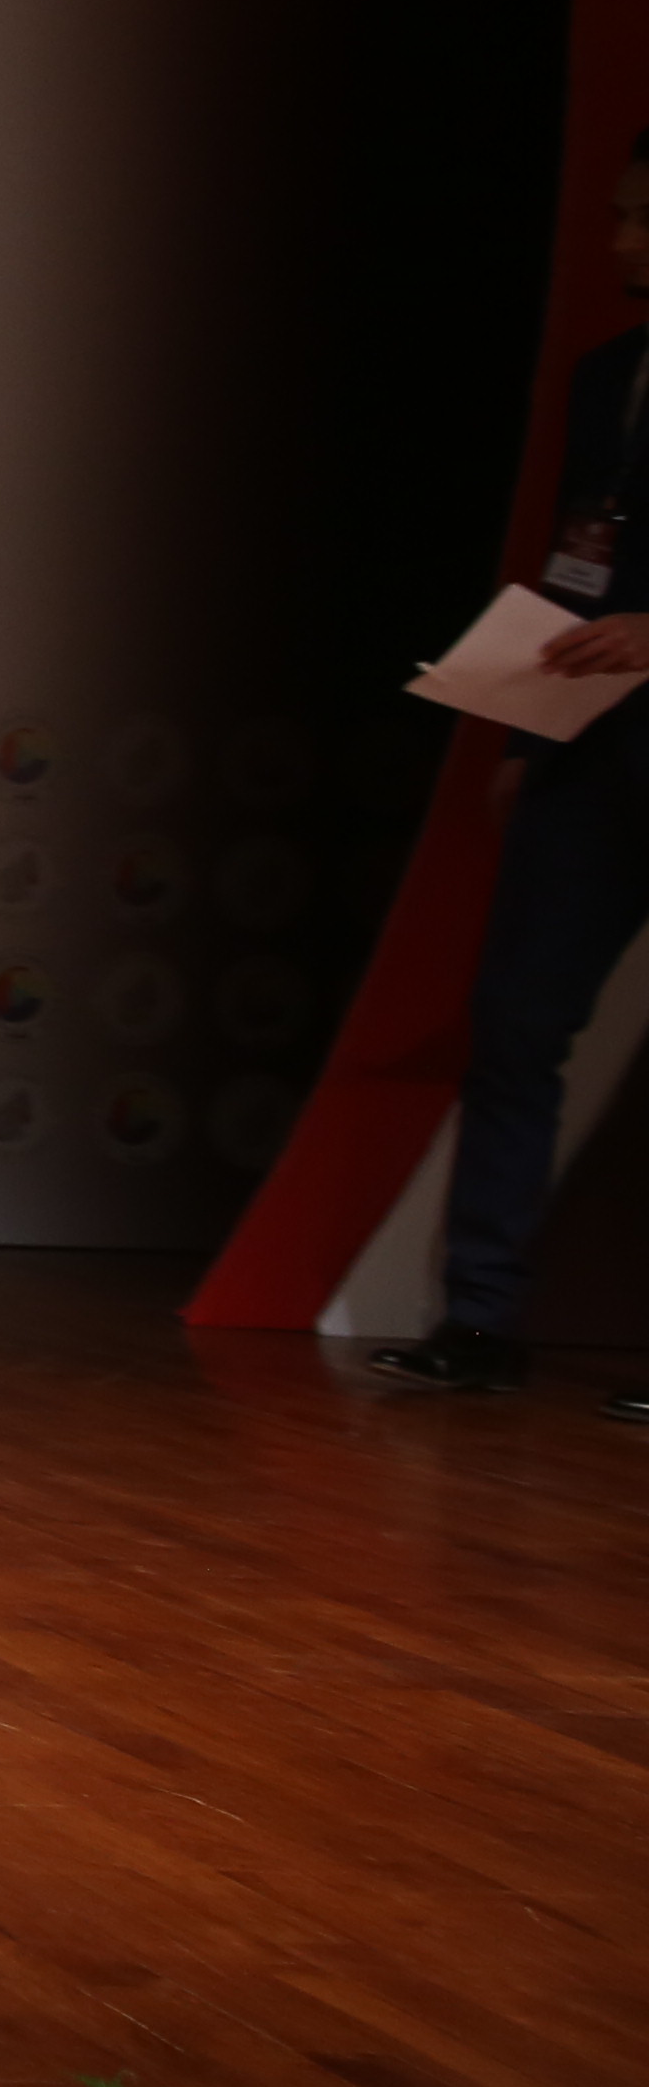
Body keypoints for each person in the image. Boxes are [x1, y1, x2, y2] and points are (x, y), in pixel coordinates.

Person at [373, 128, 649, 1411]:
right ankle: (479, 1316)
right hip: (586, 755)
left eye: (640, 214)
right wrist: (522, 734)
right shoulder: (611, 376)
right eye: (619, 212)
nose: (622, 238)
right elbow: (573, 563)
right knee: (518, 1024)